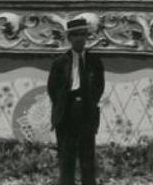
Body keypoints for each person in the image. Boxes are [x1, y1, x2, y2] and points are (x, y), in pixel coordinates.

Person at [47, 18, 105, 185]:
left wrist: (89, 102)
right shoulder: (60, 63)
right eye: (75, 35)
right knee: (67, 158)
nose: (79, 38)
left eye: (82, 34)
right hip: (66, 113)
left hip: (86, 112)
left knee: (87, 158)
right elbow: (52, 88)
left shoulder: (95, 62)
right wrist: (63, 105)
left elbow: (99, 87)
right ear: (69, 38)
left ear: (86, 37)